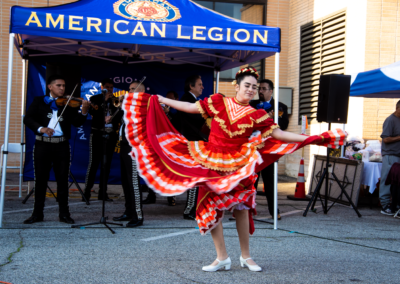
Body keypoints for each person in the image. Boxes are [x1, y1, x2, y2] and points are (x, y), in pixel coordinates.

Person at [122, 66, 345, 272]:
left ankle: (246, 256)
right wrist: (161, 99)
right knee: (210, 205)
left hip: (239, 164)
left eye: (254, 87)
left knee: (241, 208)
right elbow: (191, 107)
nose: (251, 90)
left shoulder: (257, 115)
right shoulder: (218, 102)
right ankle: (222, 257)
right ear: (236, 86)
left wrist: (315, 138)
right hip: (211, 160)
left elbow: (279, 135)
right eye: (247, 85)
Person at [23, 75, 89, 224]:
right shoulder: (39, 101)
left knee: (62, 180)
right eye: (59, 85)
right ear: (50, 87)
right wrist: (41, 128)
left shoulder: (68, 104)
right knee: (40, 180)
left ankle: (64, 214)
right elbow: (28, 119)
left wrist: (84, 112)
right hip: (43, 144)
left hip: (61, 145)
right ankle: (37, 214)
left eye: (64, 86)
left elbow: (77, 123)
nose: (62, 88)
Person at [252, 79, 289, 220]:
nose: (260, 91)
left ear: (270, 91)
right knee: (251, 181)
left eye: (263, 88)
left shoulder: (280, 106)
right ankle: (247, 211)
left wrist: (274, 119)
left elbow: (284, 125)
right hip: (253, 149)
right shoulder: (252, 105)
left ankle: (274, 211)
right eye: (259, 88)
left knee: (270, 182)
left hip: (270, 150)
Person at [83, 78, 122, 202]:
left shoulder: (116, 100)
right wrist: (104, 102)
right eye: (107, 87)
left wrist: (114, 116)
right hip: (97, 134)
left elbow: (120, 117)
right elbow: (93, 113)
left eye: (111, 87)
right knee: (93, 164)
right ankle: (86, 192)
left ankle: (103, 193)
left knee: (107, 164)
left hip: (110, 135)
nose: (109, 89)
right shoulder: (95, 99)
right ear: (102, 87)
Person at [113, 81, 145, 227]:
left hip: (133, 147)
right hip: (124, 146)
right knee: (126, 181)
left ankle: (138, 215)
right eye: (129, 89)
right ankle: (129, 211)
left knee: (133, 182)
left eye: (132, 89)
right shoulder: (128, 106)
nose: (129, 91)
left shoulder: (141, 107)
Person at [144, 90, 179, 207]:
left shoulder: (178, 112)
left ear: (176, 101)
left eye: (170, 100)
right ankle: (151, 195)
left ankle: (171, 197)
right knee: (153, 169)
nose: (167, 103)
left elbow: (177, 125)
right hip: (158, 144)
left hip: (171, 145)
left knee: (170, 172)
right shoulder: (158, 110)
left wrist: (168, 113)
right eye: (166, 99)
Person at [179, 75, 206, 220]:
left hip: (197, 142)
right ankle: (189, 210)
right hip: (192, 143)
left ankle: (193, 208)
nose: (202, 87)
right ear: (191, 86)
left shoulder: (193, 100)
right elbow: (197, 118)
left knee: (197, 177)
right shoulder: (187, 100)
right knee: (194, 178)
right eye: (200, 84)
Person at [379, 100, 400, 216]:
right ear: (397, 108)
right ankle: (385, 204)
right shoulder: (390, 120)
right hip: (391, 155)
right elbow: (386, 139)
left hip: (398, 155)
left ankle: (395, 203)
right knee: (387, 179)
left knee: (397, 181)